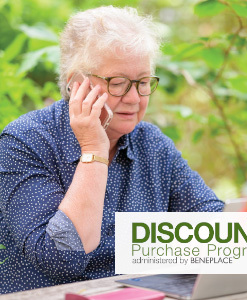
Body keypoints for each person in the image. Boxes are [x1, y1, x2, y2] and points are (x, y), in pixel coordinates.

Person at [0, 6, 224, 294]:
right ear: (76, 86)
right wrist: (94, 149)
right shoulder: (25, 141)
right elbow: (60, 258)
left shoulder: (151, 143)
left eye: (143, 83)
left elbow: (213, 225)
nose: (134, 98)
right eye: (118, 84)